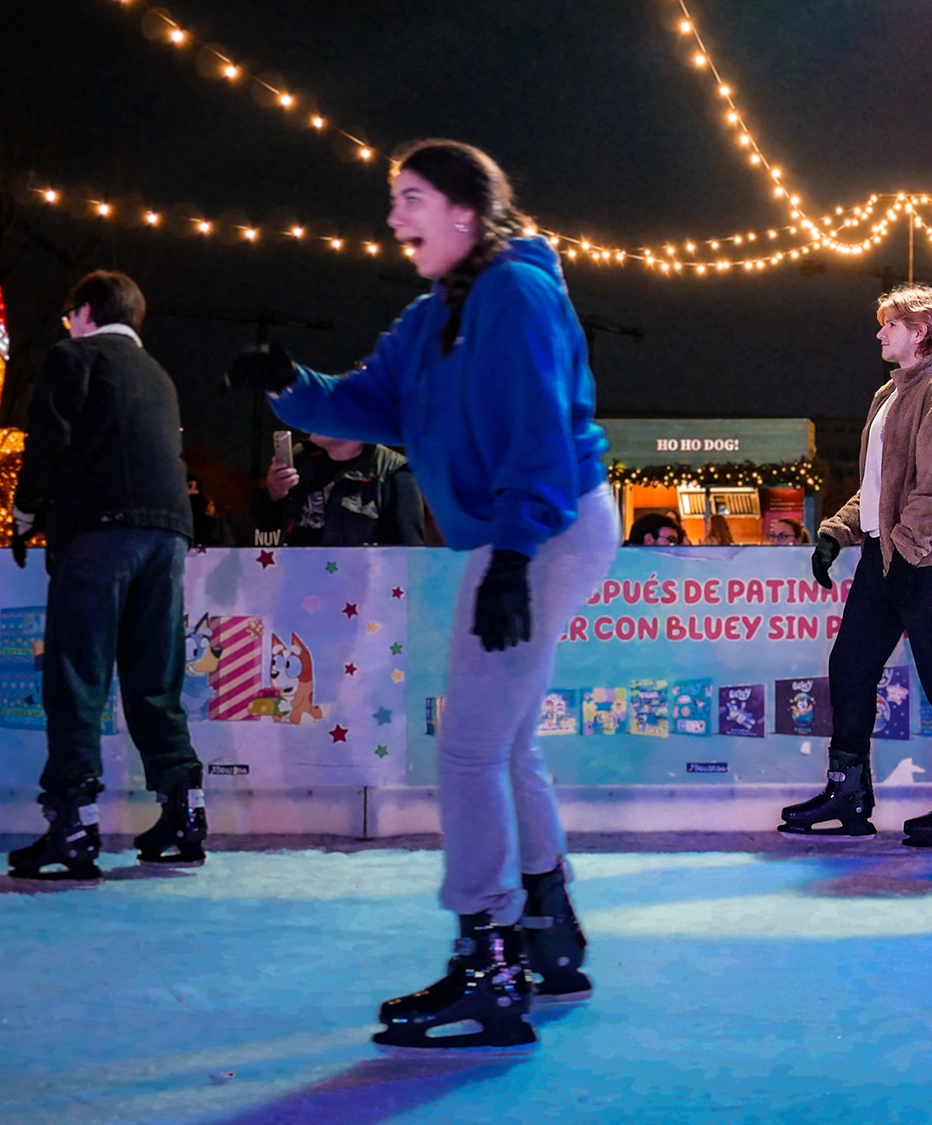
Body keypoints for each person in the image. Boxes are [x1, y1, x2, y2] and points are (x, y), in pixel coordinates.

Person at [226, 139, 613, 1054]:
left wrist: (515, 557)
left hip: (544, 524)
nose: (395, 218)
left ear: (465, 214)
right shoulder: (434, 313)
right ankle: (547, 935)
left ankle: (489, 965)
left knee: (470, 747)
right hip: (530, 527)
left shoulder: (516, 294)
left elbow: (539, 437)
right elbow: (366, 402)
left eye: (410, 199)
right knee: (507, 741)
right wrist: (289, 385)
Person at [7, 270, 208, 880]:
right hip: (168, 534)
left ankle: (72, 821)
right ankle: (184, 811)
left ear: (87, 311)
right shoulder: (160, 376)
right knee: (154, 677)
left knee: (77, 675)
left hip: (99, 531)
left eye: (70, 314)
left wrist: (23, 513)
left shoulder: (75, 356)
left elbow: (49, 438)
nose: (66, 324)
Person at [783, 284, 932, 847]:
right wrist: (835, 532)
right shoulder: (886, 397)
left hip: (923, 556)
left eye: (890, 324)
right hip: (887, 554)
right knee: (850, 664)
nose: (880, 333)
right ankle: (847, 789)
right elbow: (877, 488)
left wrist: (904, 544)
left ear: (920, 331)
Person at [258, 433, 427, 547]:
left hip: (356, 592)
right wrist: (275, 493)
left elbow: (408, 553)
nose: (313, 418)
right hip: (297, 584)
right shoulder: (302, 458)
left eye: (326, 411)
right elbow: (266, 527)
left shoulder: (394, 472)